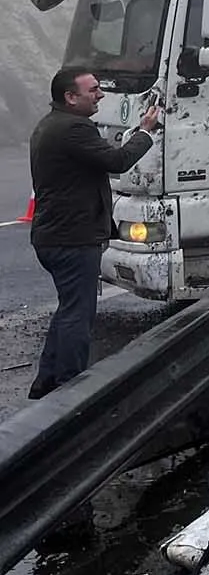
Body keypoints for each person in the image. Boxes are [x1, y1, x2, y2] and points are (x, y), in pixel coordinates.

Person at [28, 69, 161, 398]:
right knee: (78, 315)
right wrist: (144, 131)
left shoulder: (51, 123)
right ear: (71, 97)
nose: (100, 94)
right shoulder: (74, 128)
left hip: (54, 236)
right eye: (93, 90)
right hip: (72, 239)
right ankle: (70, 390)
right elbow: (117, 160)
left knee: (68, 308)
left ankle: (47, 383)